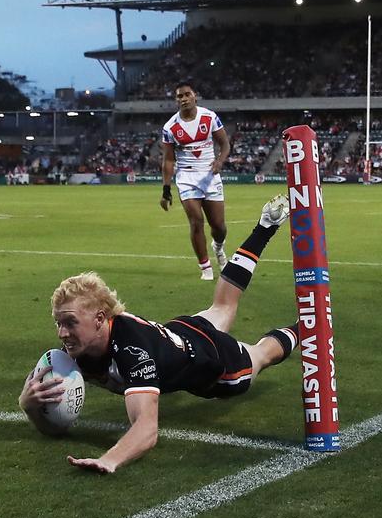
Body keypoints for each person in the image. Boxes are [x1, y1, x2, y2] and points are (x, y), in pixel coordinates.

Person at [20, 195, 294, 473]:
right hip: (180, 331)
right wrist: (29, 405)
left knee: (262, 353)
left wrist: (109, 459)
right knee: (222, 306)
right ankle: (266, 225)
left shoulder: (131, 351)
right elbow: (53, 427)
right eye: (58, 322)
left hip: (212, 361)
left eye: (70, 322)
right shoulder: (76, 350)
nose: (62, 333)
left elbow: (148, 430)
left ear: (100, 319)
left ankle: (309, 326)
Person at [159, 82, 230, 280]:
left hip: (210, 175)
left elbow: (225, 144)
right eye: (179, 96)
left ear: (195, 96)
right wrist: (166, 189)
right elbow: (169, 159)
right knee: (196, 221)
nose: (183, 99)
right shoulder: (170, 127)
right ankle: (205, 267)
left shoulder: (209, 117)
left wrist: (220, 161)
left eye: (186, 95)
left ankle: (218, 247)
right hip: (187, 178)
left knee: (219, 226)